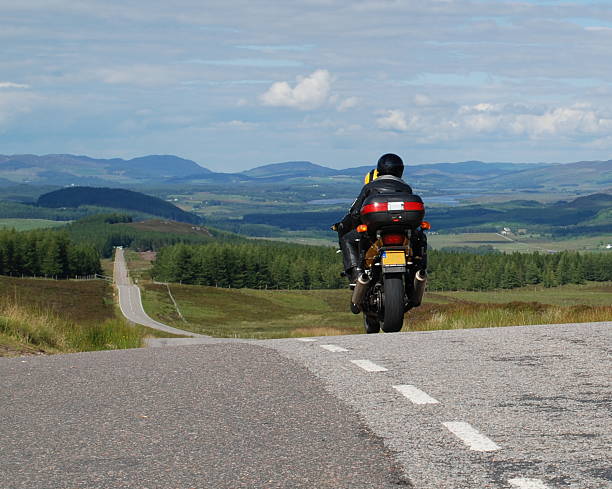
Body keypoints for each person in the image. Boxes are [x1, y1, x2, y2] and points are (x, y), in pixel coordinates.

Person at [333, 153, 413, 284]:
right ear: (400, 170)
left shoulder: (370, 187)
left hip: (375, 232)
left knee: (348, 239)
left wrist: (345, 226)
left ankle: (356, 273)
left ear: (379, 169)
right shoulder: (406, 188)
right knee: (419, 239)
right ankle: (418, 271)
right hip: (402, 230)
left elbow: (355, 213)